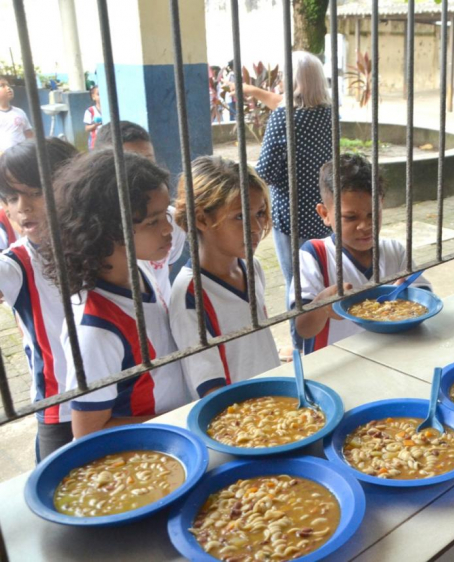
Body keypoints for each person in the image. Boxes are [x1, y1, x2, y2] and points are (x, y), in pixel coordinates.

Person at [44, 151, 188, 439]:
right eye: (152, 222)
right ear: (108, 229)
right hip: (148, 456)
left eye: (166, 215)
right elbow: (88, 433)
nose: (167, 229)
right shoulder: (95, 329)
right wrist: (181, 422)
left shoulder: (142, 272)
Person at [291, 153, 431, 354]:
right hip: (336, 363)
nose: (365, 226)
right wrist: (322, 305)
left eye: (373, 214)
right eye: (350, 217)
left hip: (390, 356)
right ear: (325, 214)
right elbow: (302, 329)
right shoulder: (314, 255)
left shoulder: (395, 252)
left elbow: (426, 300)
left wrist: (410, 296)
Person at [170, 156, 280, 399]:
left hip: (276, 403)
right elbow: (210, 390)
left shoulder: (252, 267)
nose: (256, 227)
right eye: (240, 216)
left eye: (260, 213)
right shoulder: (190, 295)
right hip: (241, 421)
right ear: (201, 219)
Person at [0, 138, 78, 460]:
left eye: (35, 192)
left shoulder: (108, 243)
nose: (23, 206)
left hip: (124, 391)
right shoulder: (17, 263)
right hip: (59, 407)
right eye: (12, 197)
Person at [256, 51, 335, 297]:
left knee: (298, 289)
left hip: (292, 217)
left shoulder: (284, 117)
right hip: (324, 212)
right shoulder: (329, 114)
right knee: (323, 278)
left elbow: (265, 173)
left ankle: (302, 335)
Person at [95, 120, 188, 298]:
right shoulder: (99, 234)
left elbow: (164, 273)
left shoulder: (171, 222)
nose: (140, 173)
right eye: (127, 165)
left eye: (148, 162)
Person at [0, 77, 34, 154]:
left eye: (8, 85)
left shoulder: (19, 112)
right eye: (2, 86)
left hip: (21, 156)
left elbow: (29, 134)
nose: (8, 88)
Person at [83, 85, 102, 150]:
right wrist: (95, 125)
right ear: (93, 97)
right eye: (98, 94)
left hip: (107, 140)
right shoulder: (90, 111)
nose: (101, 96)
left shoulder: (109, 110)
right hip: (95, 143)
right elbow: (87, 128)